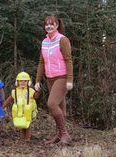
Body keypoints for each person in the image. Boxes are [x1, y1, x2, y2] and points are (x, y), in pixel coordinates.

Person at [35, 15, 73, 145]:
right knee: (60, 108)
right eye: (47, 24)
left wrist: (69, 80)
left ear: (57, 25)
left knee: (51, 104)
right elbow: (41, 62)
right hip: (50, 78)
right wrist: (37, 80)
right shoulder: (45, 42)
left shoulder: (62, 40)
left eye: (52, 24)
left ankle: (64, 134)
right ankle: (59, 135)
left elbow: (68, 60)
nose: (49, 26)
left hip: (62, 77)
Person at [3, 72, 40, 141]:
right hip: (19, 111)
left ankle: (27, 139)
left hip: (28, 111)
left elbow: (36, 97)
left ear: (28, 82)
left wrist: (38, 91)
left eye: (25, 81)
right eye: (21, 81)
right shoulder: (15, 91)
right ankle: (22, 138)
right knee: (21, 124)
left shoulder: (31, 91)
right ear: (17, 82)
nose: (23, 83)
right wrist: (3, 106)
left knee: (27, 125)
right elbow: (9, 99)